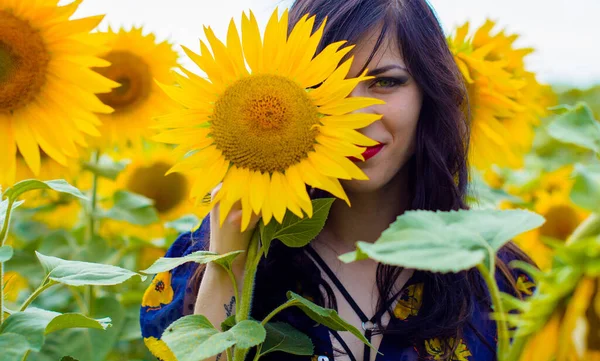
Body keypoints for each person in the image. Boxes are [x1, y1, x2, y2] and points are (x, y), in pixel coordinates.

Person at [140, 0, 535, 360]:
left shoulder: (498, 280)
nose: (358, 117)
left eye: (385, 82)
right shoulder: (201, 261)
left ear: (429, 93)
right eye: (326, 87)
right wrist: (232, 263)